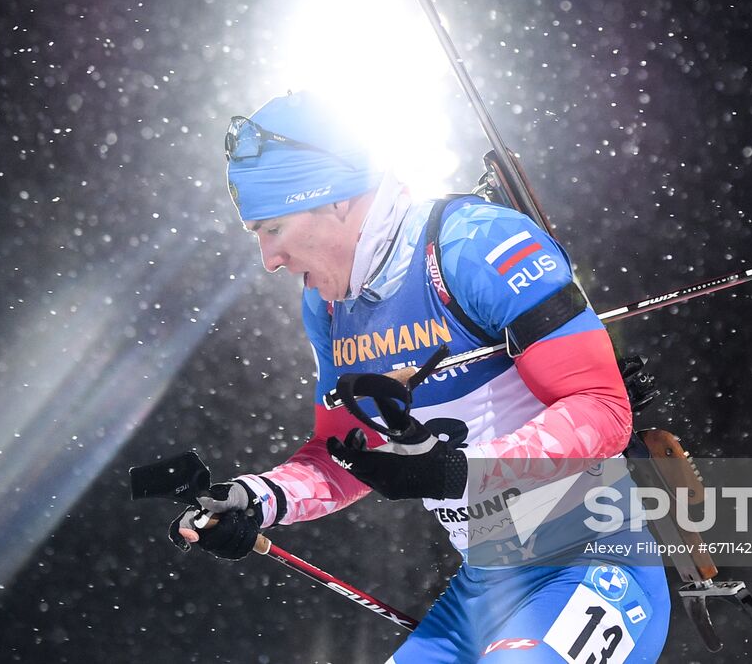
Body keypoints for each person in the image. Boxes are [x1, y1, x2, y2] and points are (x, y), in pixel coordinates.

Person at [179, 90, 671, 662]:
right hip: (485, 587)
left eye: (274, 229)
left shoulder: (473, 246)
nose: (268, 260)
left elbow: (604, 409)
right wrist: (256, 499)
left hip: (590, 560)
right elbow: (343, 455)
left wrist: (463, 471)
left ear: (336, 203)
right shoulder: (328, 307)